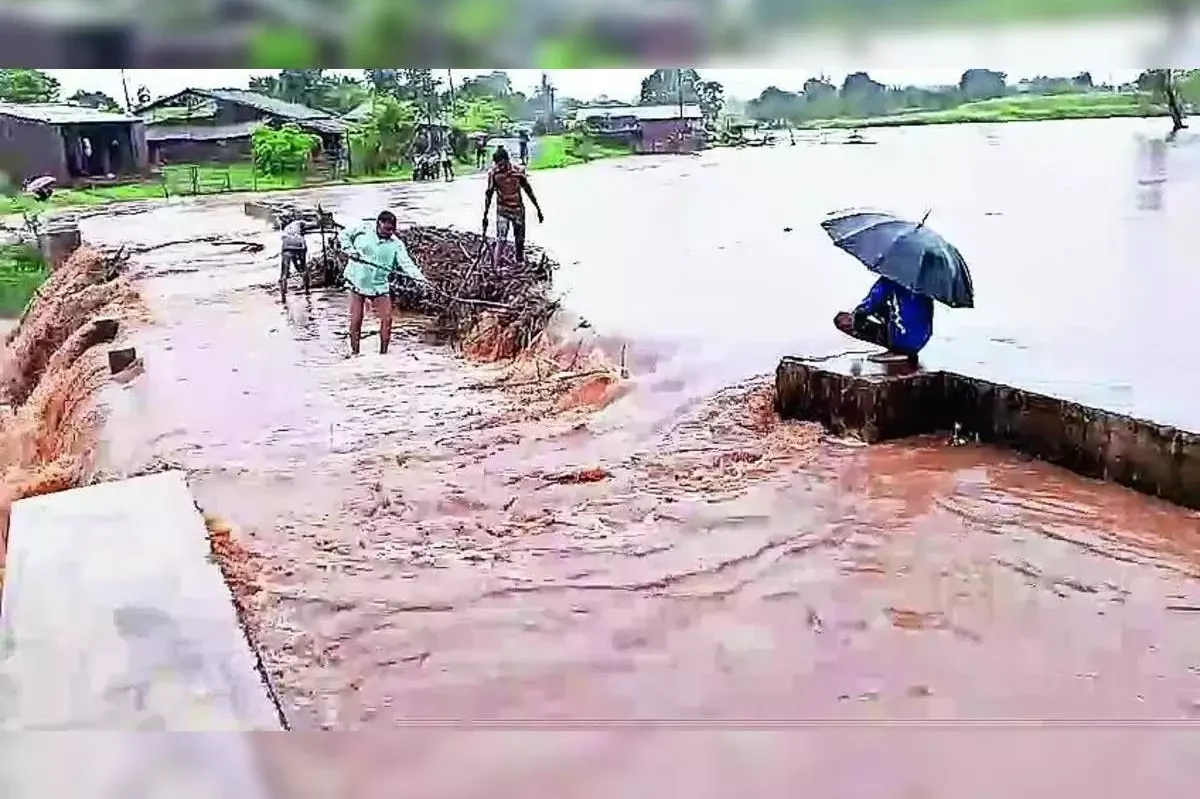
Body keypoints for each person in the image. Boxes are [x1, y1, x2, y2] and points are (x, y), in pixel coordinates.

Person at [338, 210, 428, 356]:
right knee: (356, 319)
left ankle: (383, 354)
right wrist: (350, 250)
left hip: (378, 284)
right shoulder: (363, 229)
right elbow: (343, 235)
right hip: (356, 281)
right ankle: (355, 353)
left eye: (392, 230)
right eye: (386, 229)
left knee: (387, 319)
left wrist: (421, 280)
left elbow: (407, 264)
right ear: (378, 224)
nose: (389, 233)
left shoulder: (396, 244)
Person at [834, 275, 933, 363]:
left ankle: (898, 350)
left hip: (901, 338)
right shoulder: (927, 281)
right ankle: (904, 348)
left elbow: (873, 300)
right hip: (921, 338)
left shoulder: (892, 277)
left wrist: (858, 314)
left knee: (842, 320)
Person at [483, 146, 544, 266]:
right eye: (497, 165)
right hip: (503, 210)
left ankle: (519, 261)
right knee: (501, 238)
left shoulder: (518, 172)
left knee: (519, 239)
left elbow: (528, 190)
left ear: (507, 160)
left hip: (517, 210)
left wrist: (538, 209)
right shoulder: (494, 174)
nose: (499, 167)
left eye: (501, 164)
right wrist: (485, 215)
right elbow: (489, 194)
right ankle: (496, 265)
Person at [279, 215, 311, 298]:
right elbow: (312, 225)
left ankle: (283, 290)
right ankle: (307, 290)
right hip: (299, 244)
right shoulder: (298, 222)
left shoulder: (285, 228)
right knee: (303, 267)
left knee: (284, 270)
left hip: (287, 245)